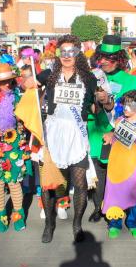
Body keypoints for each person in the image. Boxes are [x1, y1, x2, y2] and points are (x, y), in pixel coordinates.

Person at [33, 34, 97, 243]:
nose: (67, 56)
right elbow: (28, 83)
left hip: (77, 135)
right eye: (63, 52)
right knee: (49, 184)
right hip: (53, 134)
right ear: (58, 54)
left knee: (79, 184)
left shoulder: (89, 78)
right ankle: (49, 224)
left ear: (79, 53)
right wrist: (30, 82)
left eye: (72, 51)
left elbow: (95, 106)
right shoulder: (49, 74)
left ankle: (77, 224)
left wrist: (105, 102)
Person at [87, 35, 136, 222]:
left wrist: (114, 129)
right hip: (94, 130)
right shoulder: (93, 76)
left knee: (115, 171)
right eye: (101, 58)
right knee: (97, 171)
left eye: (110, 58)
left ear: (119, 59)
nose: (105, 62)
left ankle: (115, 208)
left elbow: (132, 109)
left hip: (118, 132)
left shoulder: (131, 81)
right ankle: (98, 206)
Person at [0, 63, 31, 233]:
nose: (7, 85)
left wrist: (22, 125)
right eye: (3, 82)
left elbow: (26, 119)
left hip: (15, 146)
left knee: (14, 182)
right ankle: (1, 216)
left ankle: (18, 215)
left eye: (9, 81)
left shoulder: (18, 99)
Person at [102, 90, 136, 239]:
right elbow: (112, 135)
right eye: (125, 103)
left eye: (131, 104)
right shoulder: (119, 120)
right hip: (116, 165)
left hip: (133, 166)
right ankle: (114, 223)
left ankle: (135, 223)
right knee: (115, 193)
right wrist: (110, 134)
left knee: (134, 195)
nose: (126, 107)